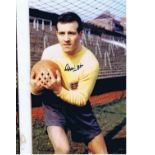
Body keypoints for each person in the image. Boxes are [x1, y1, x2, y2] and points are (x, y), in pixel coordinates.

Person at [30, 12, 108, 154]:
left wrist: (59, 89)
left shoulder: (90, 62)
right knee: (63, 150)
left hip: (78, 107)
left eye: (71, 33)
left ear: (81, 34)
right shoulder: (49, 53)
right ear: (57, 33)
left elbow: (81, 99)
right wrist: (35, 89)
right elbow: (37, 84)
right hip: (53, 105)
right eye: (62, 33)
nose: (66, 39)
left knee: (101, 153)